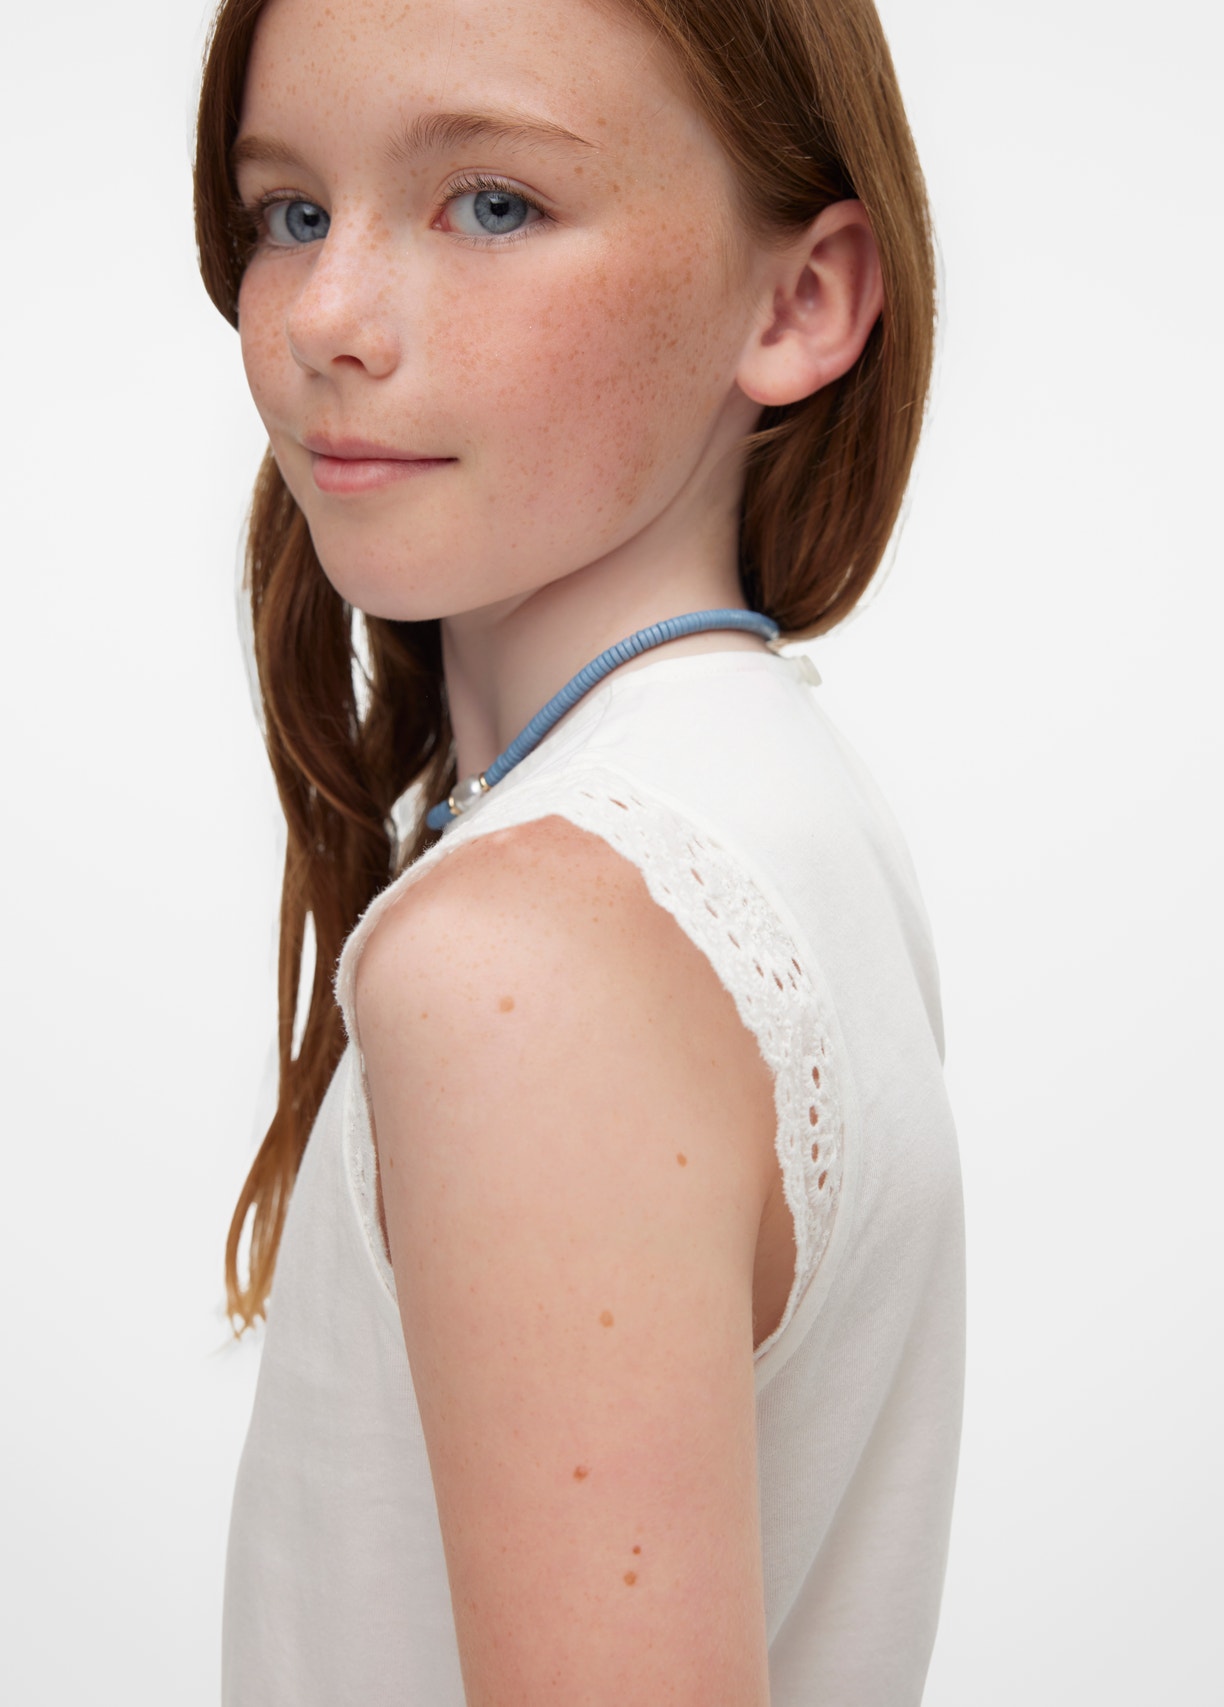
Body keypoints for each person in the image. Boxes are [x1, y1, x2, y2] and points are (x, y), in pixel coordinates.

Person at [194, 0, 965, 1699]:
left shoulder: (531, 954)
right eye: (290, 211)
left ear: (800, 299)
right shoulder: (769, 788)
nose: (324, 317)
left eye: (495, 204)